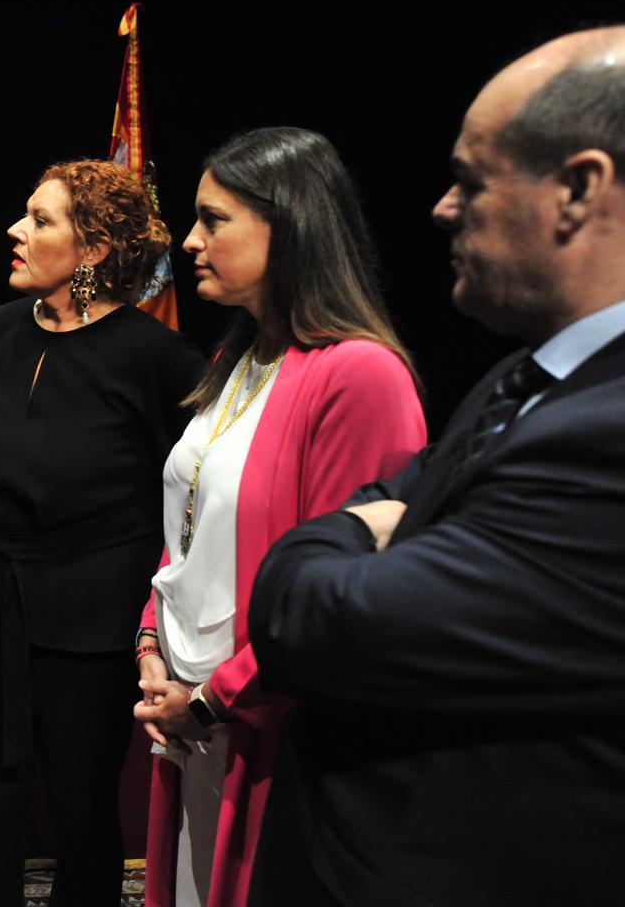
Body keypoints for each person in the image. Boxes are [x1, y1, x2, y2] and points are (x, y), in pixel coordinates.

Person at [248, 31, 625, 906]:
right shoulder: (524, 374)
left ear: (578, 189)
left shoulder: (606, 435)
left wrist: (331, 538)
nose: (443, 209)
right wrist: (371, 524)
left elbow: (320, 623)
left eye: (474, 180)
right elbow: (395, 497)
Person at [132, 128, 426, 907]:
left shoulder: (360, 375)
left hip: (269, 734)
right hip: (192, 718)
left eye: (213, 219)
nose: (190, 240)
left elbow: (344, 595)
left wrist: (213, 697)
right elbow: (187, 532)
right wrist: (153, 646)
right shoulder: (235, 359)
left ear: (288, 223)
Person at [0, 159, 202, 906]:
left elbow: (189, 508)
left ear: (93, 252)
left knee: (81, 812)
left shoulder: (159, 360)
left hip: (91, 623)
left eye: (40, 220)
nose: (16, 231)